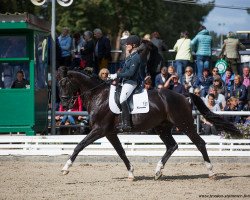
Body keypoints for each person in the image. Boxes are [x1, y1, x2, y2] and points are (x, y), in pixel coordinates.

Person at [108, 35, 141, 131]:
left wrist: (117, 75)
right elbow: (123, 71)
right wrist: (113, 75)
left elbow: (130, 73)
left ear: (134, 45)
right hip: (125, 82)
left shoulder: (136, 57)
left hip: (131, 82)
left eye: (128, 44)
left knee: (122, 98)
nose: (126, 45)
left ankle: (127, 124)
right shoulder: (130, 57)